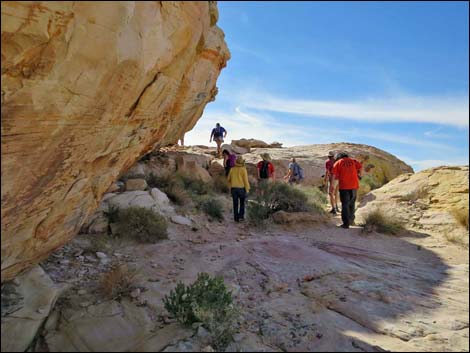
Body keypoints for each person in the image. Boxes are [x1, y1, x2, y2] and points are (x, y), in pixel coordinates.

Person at [332, 152, 362, 229]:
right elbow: (360, 167)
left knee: (345, 205)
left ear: (339, 157)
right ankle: (351, 221)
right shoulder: (353, 161)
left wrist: (332, 186)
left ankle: (346, 224)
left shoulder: (338, 162)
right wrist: (359, 175)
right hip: (354, 186)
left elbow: (333, 175)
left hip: (344, 186)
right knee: (352, 204)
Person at [227, 156, 250, 222]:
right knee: (242, 203)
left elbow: (228, 179)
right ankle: (241, 217)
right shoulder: (243, 169)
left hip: (233, 189)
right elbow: (245, 180)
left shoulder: (232, 169)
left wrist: (230, 187)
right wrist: (247, 189)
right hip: (241, 189)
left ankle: (236, 218)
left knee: (235, 204)